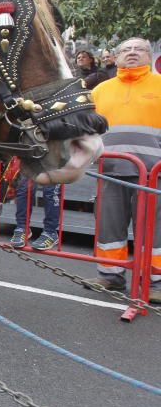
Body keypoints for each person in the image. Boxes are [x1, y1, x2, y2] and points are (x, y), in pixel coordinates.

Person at [85, 38, 161, 303]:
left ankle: (156, 282)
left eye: (139, 49)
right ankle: (110, 276)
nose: (131, 53)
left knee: (156, 232)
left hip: (153, 176)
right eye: (125, 50)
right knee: (109, 229)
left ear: (149, 56)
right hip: (110, 171)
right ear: (115, 58)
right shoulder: (100, 91)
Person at [10, 171, 61, 251]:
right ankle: (22, 227)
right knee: (23, 188)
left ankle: (50, 232)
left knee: (50, 192)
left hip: (55, 162)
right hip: (32, 160)